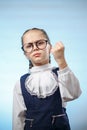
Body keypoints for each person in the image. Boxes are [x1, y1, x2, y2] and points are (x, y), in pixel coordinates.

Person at [12, 28, 82, 130]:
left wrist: (61, 61)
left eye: (40, 43)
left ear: (49, 47)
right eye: (29, 46)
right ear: (25, 53)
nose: (35, 48)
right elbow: (18, 118)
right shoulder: (20, 83)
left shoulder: (62, 73)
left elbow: (73, 94)